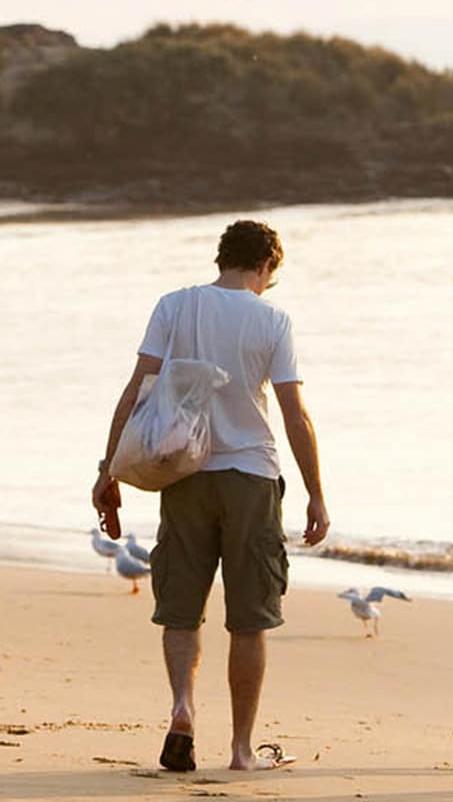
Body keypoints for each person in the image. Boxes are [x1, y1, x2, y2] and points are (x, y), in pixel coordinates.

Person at [90, 220, 330, 772]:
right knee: (249, 618)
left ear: (222, 257)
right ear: (267, 265)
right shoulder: (272, 318)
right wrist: (317, 493)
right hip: (250, 476)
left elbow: (137, 390)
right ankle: (242, 750)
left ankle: (182, 707)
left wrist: (110, 471)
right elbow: (295, 414)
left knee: (181, 610)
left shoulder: (174, 306)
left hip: (182, 474)